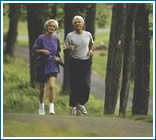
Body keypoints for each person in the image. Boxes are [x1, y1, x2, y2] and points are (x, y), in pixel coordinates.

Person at [63, 16, 94, 115]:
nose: (77, 24)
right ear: (73, 25)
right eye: (75, 22)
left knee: (85, 84)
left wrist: (91, 51)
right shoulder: (70, 36)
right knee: (75, 84)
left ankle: (81, 103)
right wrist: (69, 48)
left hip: (85, 62)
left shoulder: (88, 34)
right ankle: (73, 106)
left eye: (79, 22)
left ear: (83, 24)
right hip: (74, 62)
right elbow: (64, 49)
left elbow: (91, 44)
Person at [32, 19, 62, 115]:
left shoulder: (56, 39)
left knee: (52, 86)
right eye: (50, 25)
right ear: (47, 26)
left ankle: (51, 108)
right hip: (42, 64)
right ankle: (41, 107)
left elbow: (58, 51)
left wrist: (60, 57)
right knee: (42, 88)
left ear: (56, 28)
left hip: (53, 64)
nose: (51, 27)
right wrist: (43, 51)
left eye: (54, 26)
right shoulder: (41, 38)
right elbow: (34, 50)